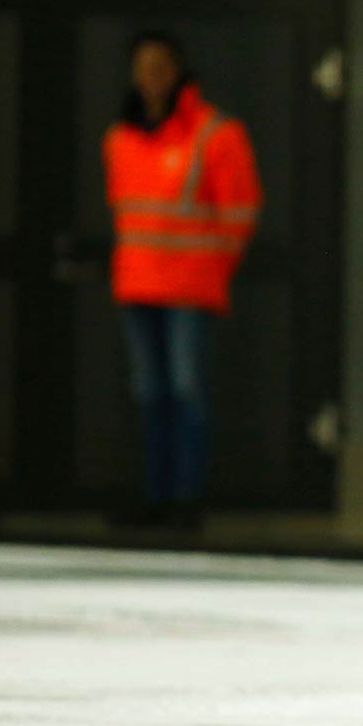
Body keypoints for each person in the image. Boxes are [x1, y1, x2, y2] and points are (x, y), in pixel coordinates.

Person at [104, 32, 261, 531]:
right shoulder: (121, 137)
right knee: (151, 395)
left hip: (189, 286)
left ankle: (186, 500)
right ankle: (157, 496)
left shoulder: (214, 133)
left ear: (179, 71)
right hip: (139, 284)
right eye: (143, 66)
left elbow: (240, 209)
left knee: (186, 392)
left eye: (161, 66)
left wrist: (213, 265)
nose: (152, 77)